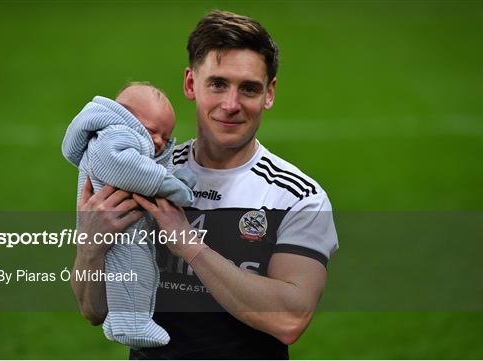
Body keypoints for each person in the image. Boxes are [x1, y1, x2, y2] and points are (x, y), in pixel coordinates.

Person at [71, 10, 339, 359]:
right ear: (190, 84)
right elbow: (95, 311)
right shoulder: (142, 174)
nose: (231, 104)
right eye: (218, 84)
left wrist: (190, 247)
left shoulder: (297, 197)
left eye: (249, 89)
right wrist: (91, 246)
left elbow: (289, 320)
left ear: (269, 94)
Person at [62, 82, 195, 349]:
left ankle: (130, 321)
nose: (158, 142)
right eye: (151, 132)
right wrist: (174, 187)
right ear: (125, 119)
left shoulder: (143, 149)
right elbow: (133, 170)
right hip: (121, 230)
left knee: (139, 270)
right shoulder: (113, 137)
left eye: (166, 137)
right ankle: (131, 323)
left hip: (128, 226)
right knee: (132, 267)